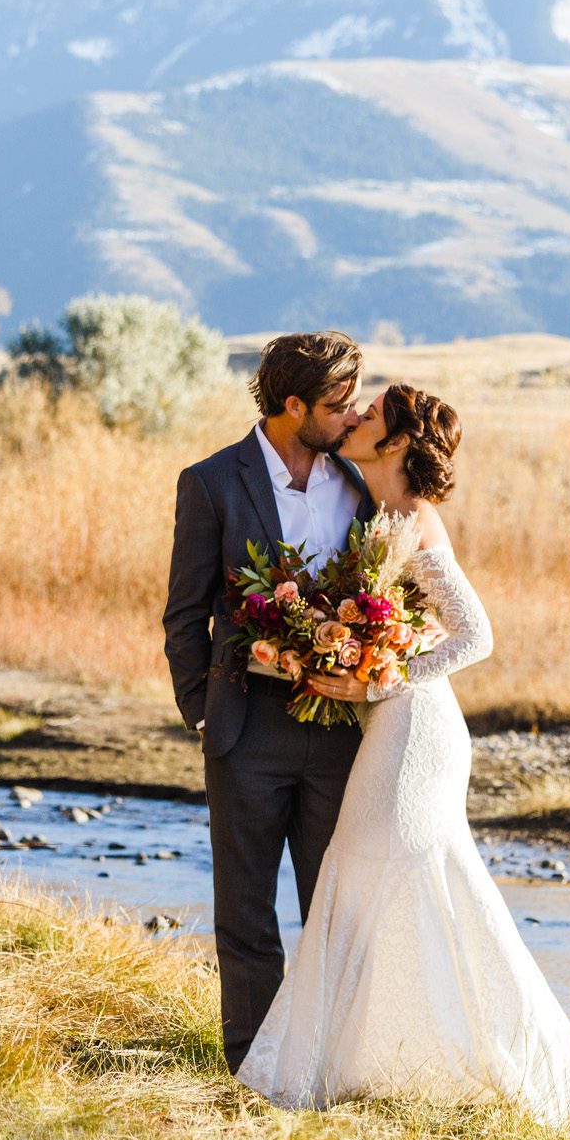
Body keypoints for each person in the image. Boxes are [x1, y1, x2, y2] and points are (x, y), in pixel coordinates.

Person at [232, 383, 570, 1134]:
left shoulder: (412, 518)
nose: (356, 419)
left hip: (419, 733)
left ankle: (483, 1057)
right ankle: (368, 1061)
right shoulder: (376, 513)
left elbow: (476, 636)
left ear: (399, 441)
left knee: (397, 871)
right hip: (390, 726)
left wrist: (383, 674)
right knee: (367, 874)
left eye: (371, 415)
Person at [162, 329, 375, 1074]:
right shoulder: (212, 481)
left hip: (343, 732)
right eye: (337, 404)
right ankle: (251, 1069)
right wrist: (200, 709)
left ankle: (327, 1063)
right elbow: (184, 612)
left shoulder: (361, 484)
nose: (351, 417)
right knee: (247, 914)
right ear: (292, 404)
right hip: (245, 730)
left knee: (334, 912)